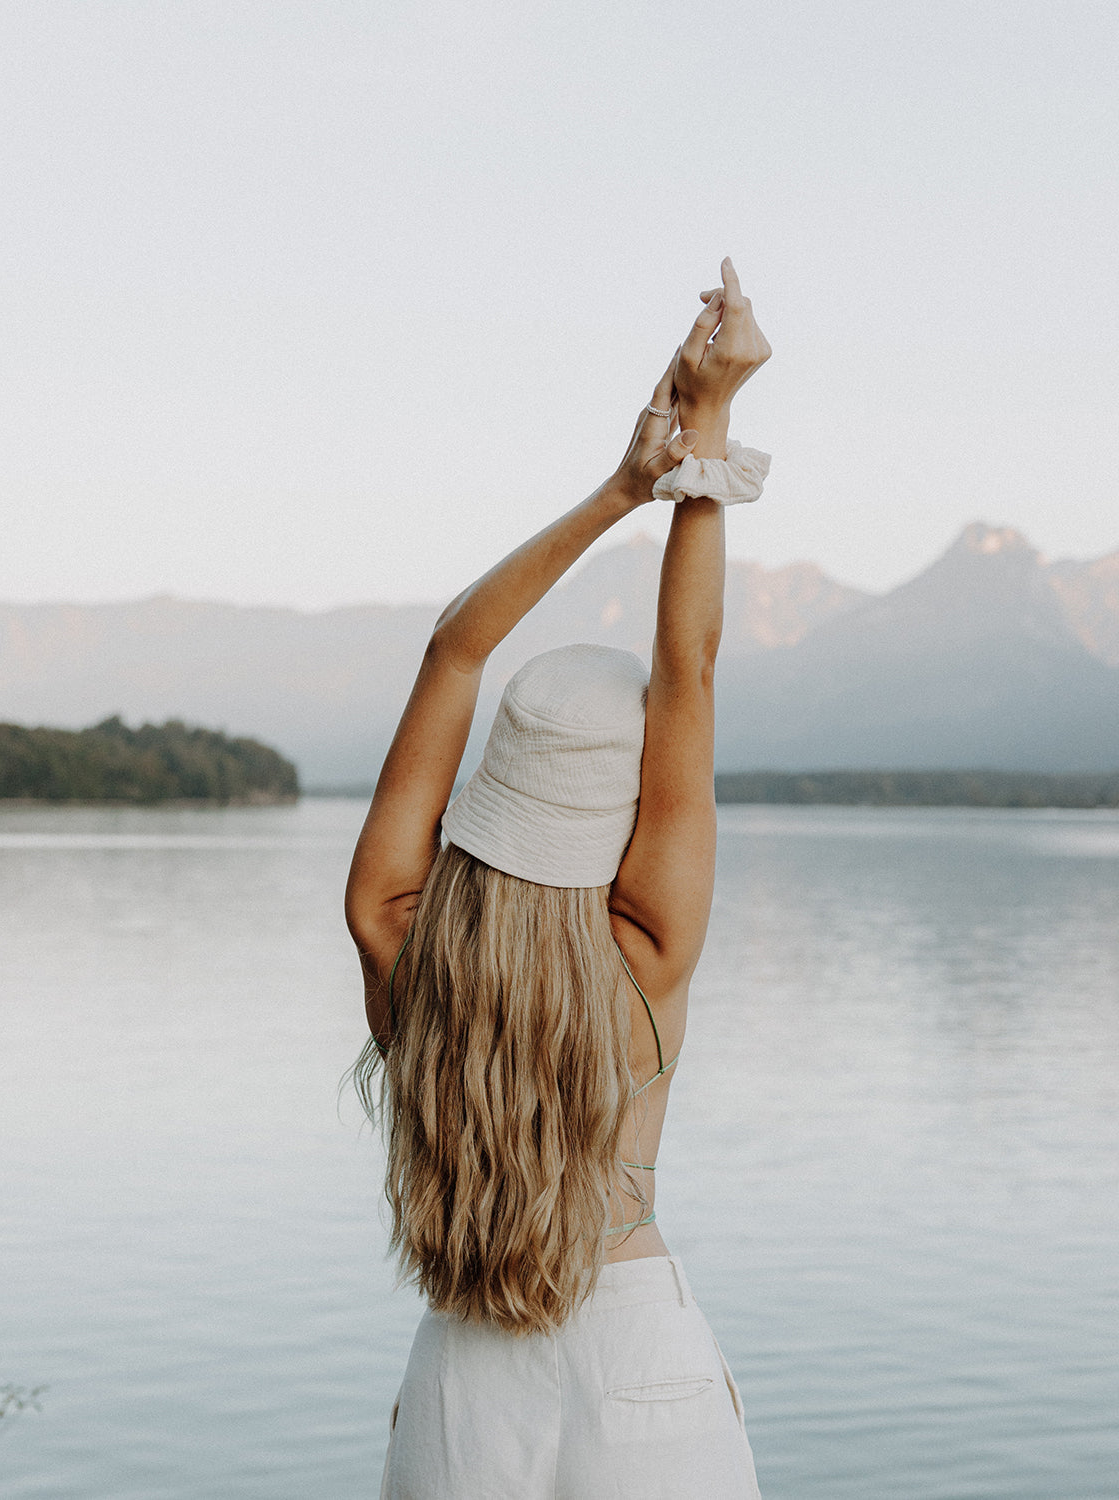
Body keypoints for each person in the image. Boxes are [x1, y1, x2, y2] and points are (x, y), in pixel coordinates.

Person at [345, 258, 772, 1498]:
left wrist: (618, 489)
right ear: (621, 813)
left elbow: (455, 649)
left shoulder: (397, 933)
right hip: (642, 1351)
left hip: (463, 1382)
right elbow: (689, 667)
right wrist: (707, 429)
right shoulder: (645, 948)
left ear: (492, 792)